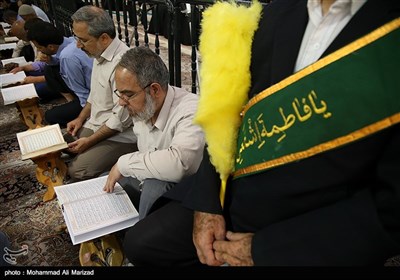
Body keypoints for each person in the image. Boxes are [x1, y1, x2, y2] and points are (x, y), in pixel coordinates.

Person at [122, 0, 400, 266]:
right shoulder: (275, 14)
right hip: (234, 192)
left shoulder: (388, 34)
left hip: (315, 223)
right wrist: (208, 204)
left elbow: (390, 209)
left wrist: (265, 251)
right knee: (141, 244)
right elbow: (226, 114)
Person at [103, 47, 205, 220]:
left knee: (155, 186)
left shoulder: (191, 110)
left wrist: (123, 163)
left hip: (189, 196)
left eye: (127, 95)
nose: (121, 102)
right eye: (120, 94)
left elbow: (179, 164)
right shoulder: (144, 106)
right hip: (151, 182)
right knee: (107, 182)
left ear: (155, 90)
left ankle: (140, 239)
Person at [66, 5, 137, 182]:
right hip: (97, 123)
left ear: (104, 38)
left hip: (121, 135)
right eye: (77, 38)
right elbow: (94, 95)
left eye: (83, 40)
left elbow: (120, 120)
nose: (78, 45)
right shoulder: (98, 53)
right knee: (61, 143)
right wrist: (80, 119)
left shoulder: (124, 65)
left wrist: (89, 141)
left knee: (77, 170)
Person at [26, 20, 93, 127]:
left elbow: (84, 94)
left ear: (51, 46)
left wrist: (84, 116)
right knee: (48, 71)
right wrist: (49, 60)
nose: (39, 51)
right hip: (85, 88)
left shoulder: (67, 57)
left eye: (39, 48)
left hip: (91, 97)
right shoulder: (69, 41)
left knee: (51, 116)